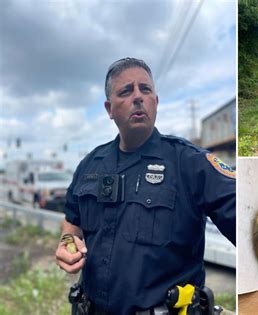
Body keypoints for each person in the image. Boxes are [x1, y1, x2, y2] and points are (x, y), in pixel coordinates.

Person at [55, 57, 236, 314]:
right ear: (109, 109)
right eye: (126, 91)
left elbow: (249, 221)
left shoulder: (190, 163)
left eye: (145, 89)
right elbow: (72, 221)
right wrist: (67, 241)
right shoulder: (90, 165)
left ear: (156, 102)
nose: (138, 97)